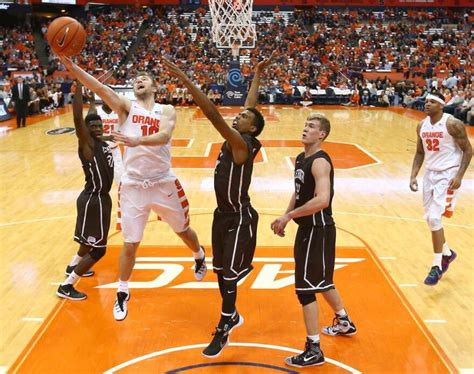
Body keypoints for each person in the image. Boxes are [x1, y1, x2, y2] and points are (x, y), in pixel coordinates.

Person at [56, 55, 207, 321]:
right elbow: (100, 89)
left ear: (154, 87)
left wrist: (137, 140)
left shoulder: (166, 110)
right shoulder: (126, 108)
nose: (139, 81)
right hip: (134, 186)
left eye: (144, 79)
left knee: (183, 230)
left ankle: (198, 254)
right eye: (136, 79)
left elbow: (164, 136)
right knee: (130, 243)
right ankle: (122, 292)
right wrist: (73, 68)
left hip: (163, 181)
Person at [162, 53, 273, 358]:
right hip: (221, 216)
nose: (239, 116)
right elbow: (251, 106)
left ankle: (225, 325)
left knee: (230, 276)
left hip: (240, 218)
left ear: (250, 130)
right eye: (239, 116)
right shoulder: (242, 135)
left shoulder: (242, 145)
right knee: (220, 272)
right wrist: (257, 74)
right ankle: (232, 314)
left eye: (244, 119)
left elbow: (212, 114)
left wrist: (186, 80)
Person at [271, 113, 357, 368]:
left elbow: (322, 200)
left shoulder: (320, 162)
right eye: (305, 124)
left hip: (318, 230)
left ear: (322, 135)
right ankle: (344, 321)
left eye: (311, 126)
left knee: (305, 289)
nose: (305, 129)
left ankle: (314, 349)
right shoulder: (300, 158)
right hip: (308, 229)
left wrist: (289, 215)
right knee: (322, 280)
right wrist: (287, 216)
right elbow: (298, 192)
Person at [56, 82, 114, 300]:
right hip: (94, 200)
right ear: (86, 131)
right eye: (94, 127)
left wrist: (92, 101)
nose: (98, 128)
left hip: (99, 199)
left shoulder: (100, 141)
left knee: (87, 242)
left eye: (100, 125)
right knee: (98, 250)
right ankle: (66, 285)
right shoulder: (87, 144)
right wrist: (79, 86)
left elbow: (90, 116)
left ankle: (73, 267)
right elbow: (79, 119)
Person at [409, 92, 472, 285]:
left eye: (432, 102)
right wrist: (413, 174)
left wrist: (459, 176)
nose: (427, 104)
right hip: (431, 173)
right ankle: (447, 253)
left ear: (441, 106)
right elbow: (420, 152)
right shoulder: (422, 125)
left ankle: (437, 267)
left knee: (435, 218)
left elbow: (468, 150)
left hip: (448, 174)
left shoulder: (452, 124)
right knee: (429, 218)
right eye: (426, 101)